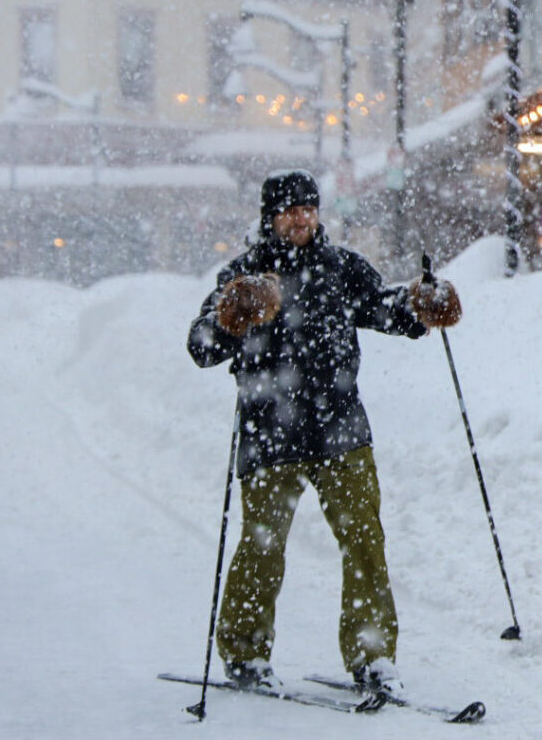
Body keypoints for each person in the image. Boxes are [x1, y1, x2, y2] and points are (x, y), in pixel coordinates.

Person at [187, 169, 461, 697]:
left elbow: (384, 308)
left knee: (365, 542)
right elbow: (201, 346)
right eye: (289, 210)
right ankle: (245, 654)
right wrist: (229, 318)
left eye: (308, 208)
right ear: (270, 217)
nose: (301, 218)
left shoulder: (340, 269)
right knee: (262, 547)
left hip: (341, 429)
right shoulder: (243, 275)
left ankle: (373, 658)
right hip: (270, 434)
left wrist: (421, 305)